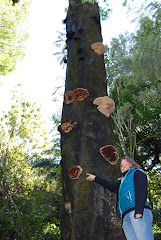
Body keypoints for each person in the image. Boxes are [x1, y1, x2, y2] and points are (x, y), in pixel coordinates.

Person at [86, 156, 154, 240]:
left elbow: (141, 190)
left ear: (132, 165)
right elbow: (110, 185)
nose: (123, 167)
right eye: (121, 166)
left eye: (126, 164)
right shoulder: (122, 183)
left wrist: (139, 211)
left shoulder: (137, 172)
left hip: (138, 212)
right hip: (126, 217)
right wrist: (96, 178)